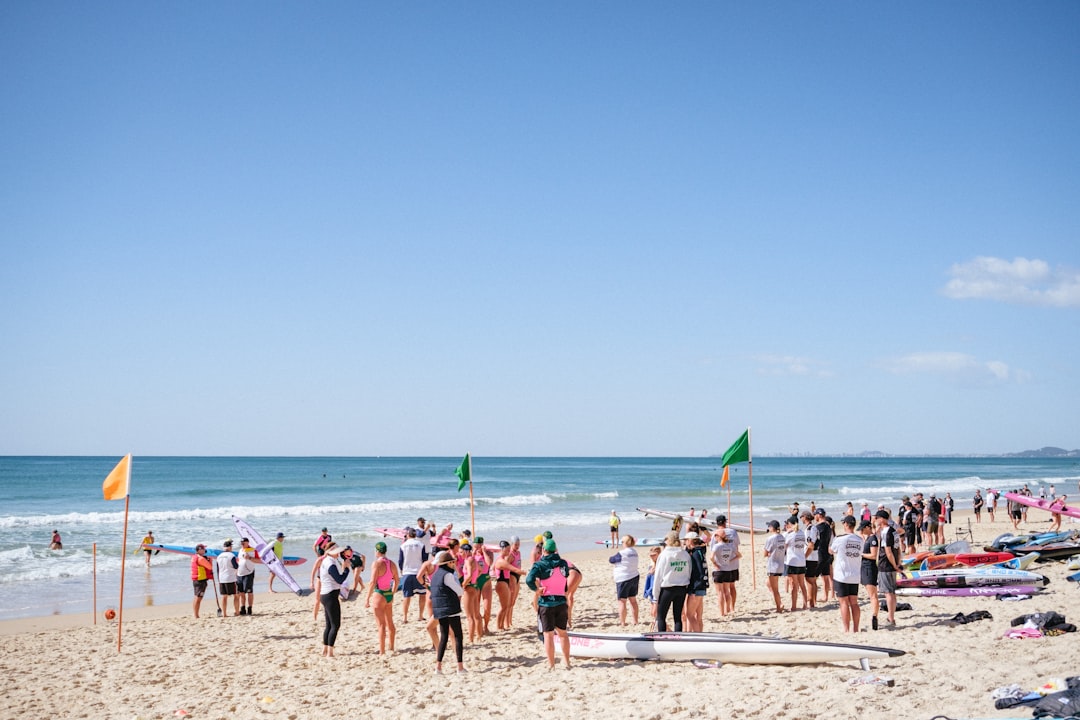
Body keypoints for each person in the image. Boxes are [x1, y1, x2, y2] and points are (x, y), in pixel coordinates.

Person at [525, 538, 573, 669]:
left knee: (548, 635)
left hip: (546, 603)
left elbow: (529, 579)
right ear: (555, 550)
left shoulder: (540, 564)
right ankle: (567, 662)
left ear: (543, 550)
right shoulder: (563, 563)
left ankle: (551, 665)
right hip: (561, 601)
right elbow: (565, 576)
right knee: (563, 634)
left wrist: (536, 590)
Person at [429, 551, 466, 673]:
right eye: (452, 562)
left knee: (444, 636)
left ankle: (438, 667)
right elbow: (459, 591)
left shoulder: (435, 575)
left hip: (439, 608)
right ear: (449, 563)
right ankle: (460, 667)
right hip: (450, 606)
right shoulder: (448, 575)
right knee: (458, 636)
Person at [652, 531, 691, 632]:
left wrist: (655, 597)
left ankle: (662, 636)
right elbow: (689, 571)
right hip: (681, 587)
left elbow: (658, 576)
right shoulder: (685, 554)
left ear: (668, 540)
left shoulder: (664, 554)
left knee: (661, 617)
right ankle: (678, 637)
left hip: (667, 588)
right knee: (677, 617)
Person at [365, 541, 399, 654]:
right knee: (390, 622)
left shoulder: (376, 564)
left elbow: (372, 582)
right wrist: (392, 593)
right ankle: (392, 647)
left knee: (381, 625)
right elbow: (397, 580)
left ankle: (382, 651)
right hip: (388, 593)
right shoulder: (392, 563)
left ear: (377, 551)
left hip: (379, 594)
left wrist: (367, 598)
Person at [318, 545, 352, 657]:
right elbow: (340, 579)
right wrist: (346, 569)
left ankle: (325, 650)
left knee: (329, 625)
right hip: (330, 595)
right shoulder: (330, 564)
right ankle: (330, 653)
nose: (339, 553)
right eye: (337, 551)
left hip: (325, 594)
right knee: (335, 625)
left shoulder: (326, 561)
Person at [830, 516, 862, 632]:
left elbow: (831, 550)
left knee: (843, 603)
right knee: (854, 602)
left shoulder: (840, 539)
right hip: (854, 574)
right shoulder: (860, 540)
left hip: (842, 575)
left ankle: (846, 628)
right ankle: (856, 628)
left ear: (846, 524)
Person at [710, 516, 741, 616]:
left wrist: (715, 563)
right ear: (725, 522)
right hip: (732, 564)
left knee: (722, 590)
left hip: (720, 565)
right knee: (731, 587)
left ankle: (724, 610)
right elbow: (737, 545)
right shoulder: (733, 532)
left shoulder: (715, 534)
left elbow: (712, 551)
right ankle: (731, 608)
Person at [875, 510, 901, 626]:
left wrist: (895, 565)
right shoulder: (894, 531)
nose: (876, 520)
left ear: (881, 519)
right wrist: (897, 563)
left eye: (877, 518)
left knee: (888, 592)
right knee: (892, 592)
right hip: (892, 563)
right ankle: (891, 617)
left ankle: (891, 618)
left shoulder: (886, 532)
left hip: (886, 564)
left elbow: (888, 551)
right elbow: (898, 549)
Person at [608, 535, 639, 626]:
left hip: (623, 578)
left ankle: (622, 622)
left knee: (622, 601)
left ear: (625, 543)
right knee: (633, 600)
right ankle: (635, 621)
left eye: (622, 542)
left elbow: (611, 560)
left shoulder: (622, 553)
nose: (621, 543)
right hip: (634, 576)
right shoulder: (635, 552)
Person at [492, 540, 524, 630]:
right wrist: (526, 573)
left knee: (506, 606)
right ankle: (499, 626)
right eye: (507, 550)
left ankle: (501, 626)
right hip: (501, 583)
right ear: (502, 549)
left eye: (509, 550)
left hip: (505, 582)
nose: (509, 552)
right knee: (504, 607)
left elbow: (493, 568)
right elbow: (514, 569)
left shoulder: (502, 560)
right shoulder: (501, 561)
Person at [399, 527, 428, 623]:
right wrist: (425, 572)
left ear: (408, 535)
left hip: (407, 572)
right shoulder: (421, 545)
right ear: (415, 535)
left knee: (407, 596)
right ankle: (420, 616)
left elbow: (400, 561)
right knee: (422, 594)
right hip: (419, 572)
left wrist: (401, 570)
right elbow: (424, 559)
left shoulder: (403, 546)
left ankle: (405, 617)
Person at [683, 532, 708, 632]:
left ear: (691, 541)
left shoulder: (695, 554)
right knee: (698, 616)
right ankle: (699, 634)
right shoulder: (700, 551)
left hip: (696, 587)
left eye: (686, 540)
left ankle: (698, 635)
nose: (685, 542)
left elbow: (699, 572)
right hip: (702, 586)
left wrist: (694, 590)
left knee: (689, 614)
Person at [858, 519, 880, 630]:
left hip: (869, 568)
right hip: (865, 567)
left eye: (863, 529)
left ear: (868, 527)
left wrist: (861, 554)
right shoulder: (867, 538)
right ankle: (874, 615)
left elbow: (873, 555)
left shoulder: (873, 539)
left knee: (873, 595)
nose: (861, 531)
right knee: (871, 594)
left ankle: (874, 616)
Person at [783, 515, 807, 611]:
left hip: (792, 561)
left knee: (794, 585)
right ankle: (805, 605)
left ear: (789, 524)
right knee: (802, 584)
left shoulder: (790, 535)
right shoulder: (802, 533)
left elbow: (784, 545)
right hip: (801, 561)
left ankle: (793, 606)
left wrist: (786, 532)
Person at [762, 520, 785, 613]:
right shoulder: (782, 537)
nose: (768, 528)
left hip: (773, 564)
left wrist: (768, 554)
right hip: (780, 563)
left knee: (775, 588)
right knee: (768, 583)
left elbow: (765, 553)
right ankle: (780, 602)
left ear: (772, 527)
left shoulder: (770, 538)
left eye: (769, 526)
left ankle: (779, 607)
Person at [801, 511, 820, 609]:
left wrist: (804, 556)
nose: (801, 519)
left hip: (811, 557)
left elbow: (811, 545)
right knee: (812, 580)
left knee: (809, 579)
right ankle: (813, 601)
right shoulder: (813, 528)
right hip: (814, 556)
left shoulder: (810, 529)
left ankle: (811, 602)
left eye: (801, 517)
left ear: (805, 517)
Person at [813, 509, 834, 603]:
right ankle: (825, 596)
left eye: (815, 515)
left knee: (813, 577)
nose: (814, 517)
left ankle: (813, 597)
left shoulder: (817, 527)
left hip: (820, 553)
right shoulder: (828, 527)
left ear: (819, 515)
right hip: (827, 554)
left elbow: (815, 541)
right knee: (825, 576)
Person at [215, 540, 239, 617]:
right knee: (236, 595)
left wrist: (219, 579)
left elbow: (218, 569)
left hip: (222, 578)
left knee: (224, 596)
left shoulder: (219, 556)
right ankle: (237, 612)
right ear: (230, 547)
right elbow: (236, 566)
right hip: (231, 578)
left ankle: (224, 614)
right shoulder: (231, 556)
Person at [190, 544, 214, 618]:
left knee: (196, 596)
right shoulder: (200, 558)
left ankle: (195, 614)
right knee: (199, 598)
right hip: (200, 580)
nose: (205, 550)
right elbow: (210, 567)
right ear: (199, 550)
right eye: (203, 549)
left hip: (196, 579)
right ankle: (196, 615)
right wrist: (210, 560)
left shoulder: (194, 557)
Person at [236, 538, 256, 616]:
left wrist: (249, 558)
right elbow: (239, 560)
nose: (242, 544)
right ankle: (243, 608)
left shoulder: (252, 550)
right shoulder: (240, 550)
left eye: (243, 542)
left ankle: (250, 608)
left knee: (249, 592)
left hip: (248, 573)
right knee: (241, 592)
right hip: (239, 573)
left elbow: (260, 560)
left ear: (247, 542)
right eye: (241, 542)